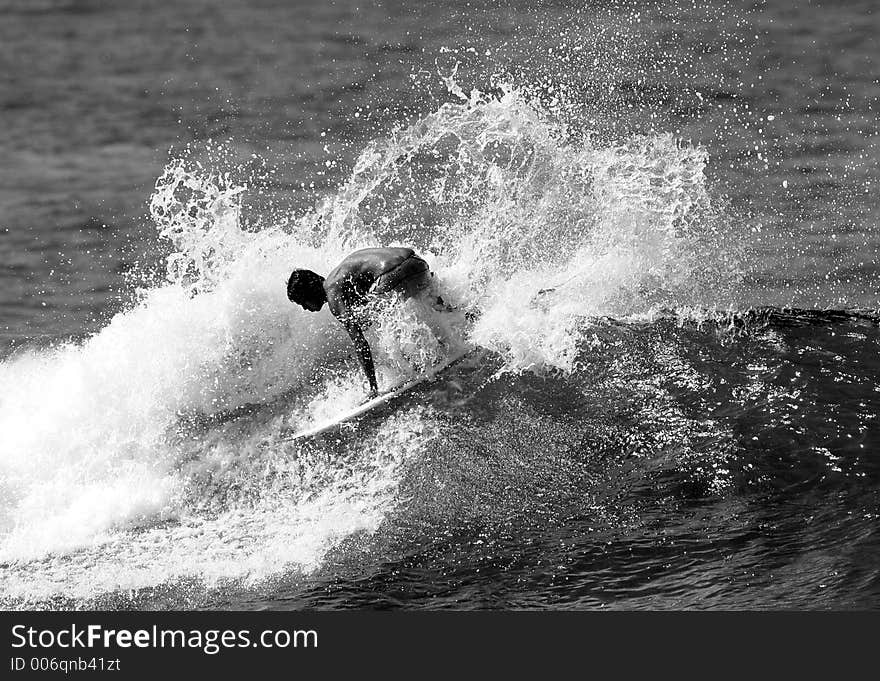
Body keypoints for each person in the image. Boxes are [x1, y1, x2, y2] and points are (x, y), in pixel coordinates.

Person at [287, 247, 441, 399]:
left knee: (383, 315)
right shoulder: (342, 274)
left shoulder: (332, 291)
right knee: (418, 302)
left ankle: (419, 363)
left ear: (309, 292)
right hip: (417, 264)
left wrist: (373, 387)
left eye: (303, 302)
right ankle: (455, 318)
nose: (306, 308)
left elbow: (360, 343)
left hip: (394, 275)